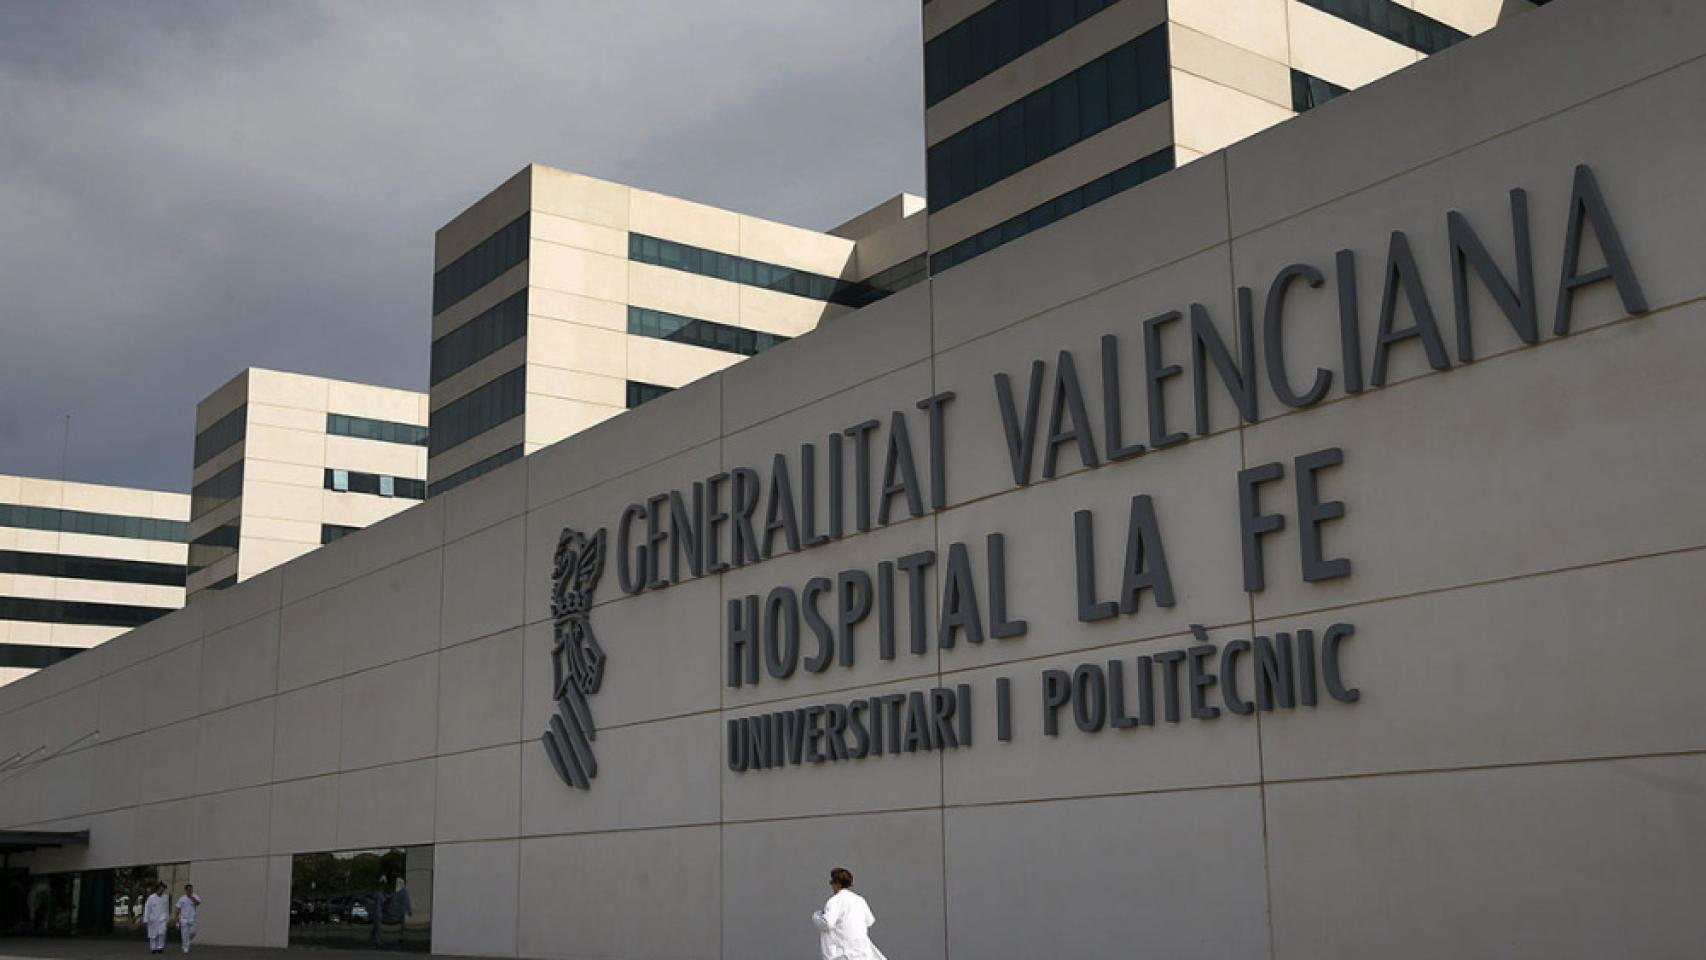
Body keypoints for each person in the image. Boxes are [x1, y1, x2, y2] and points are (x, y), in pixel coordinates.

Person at [811, 867, 886, 960]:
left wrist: (816, 916)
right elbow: (870, 921)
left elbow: (827, 923)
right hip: (862, 952)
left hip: (843, 954)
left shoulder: (835, 901)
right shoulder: (859, 900)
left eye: (832, 882)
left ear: (837, 884)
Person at [142, 883, 170, 954]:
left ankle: (160, 947)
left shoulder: (165, 897)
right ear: (157, 889)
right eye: (160, 889)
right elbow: (147, 908)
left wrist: (167, 918)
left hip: (162, 918)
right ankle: (153, 948)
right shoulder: (151, 898)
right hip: (153, 918)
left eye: (163, 890)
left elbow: (167, 908)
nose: (162, 891)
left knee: (162, 933)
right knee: (153, 934)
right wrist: (146, 918)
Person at [174, 884, 200, 954]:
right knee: (184, 934)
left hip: (192, 918)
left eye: (191, 889)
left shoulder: (195, 896)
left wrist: (193, 899)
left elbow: (198, 903)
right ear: (185, 890)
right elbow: (178, 909)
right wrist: (177, 921)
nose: (190, 891)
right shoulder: (181, 899)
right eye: (188, 889)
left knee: (193, 933)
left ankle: (187, 942)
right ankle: (185, 947)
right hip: (184, 919)